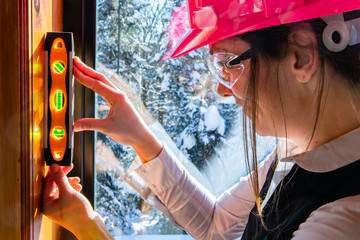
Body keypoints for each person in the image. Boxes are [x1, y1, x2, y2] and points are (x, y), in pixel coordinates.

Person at [42, 0, 360, 239]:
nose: (222, 89)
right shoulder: (299, 148)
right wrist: (140, 136)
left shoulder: (343, 220)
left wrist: (90, 229)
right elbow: (215, 225)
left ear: (300, 57)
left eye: (227, 64)